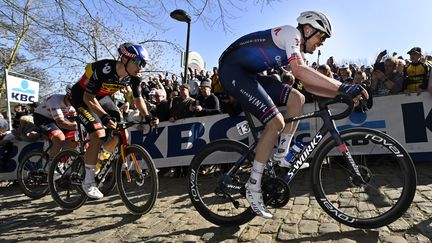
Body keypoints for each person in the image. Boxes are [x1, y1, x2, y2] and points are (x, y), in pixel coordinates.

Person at [218, 11, 368, 218]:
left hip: (251, 74)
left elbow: (309, 84)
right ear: (307, 29)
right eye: (321, 37)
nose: (321, 43)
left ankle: (281, 154)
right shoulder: (291, 34)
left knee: (297, 98)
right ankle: (253, 188)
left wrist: (343, 93)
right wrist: (343, 86)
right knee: (275, 123)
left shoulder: (296, 47)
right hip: (232, 70)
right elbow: (299, 72)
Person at [71, 43, 158, 199]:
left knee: (122, 132)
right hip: (82, 97)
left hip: (102, 98)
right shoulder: (105, 69)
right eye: (139, 62)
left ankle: (101, 157)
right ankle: (88, 182)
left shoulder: (134, 78)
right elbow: (88, 98)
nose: (141, 67)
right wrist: (104, 117)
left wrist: (148, 116)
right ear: (125, 59)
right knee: (98, 134)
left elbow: (138, 100)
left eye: (144, 64)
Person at [33, 85, 78, 160]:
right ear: (68, 95)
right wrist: (78, 126)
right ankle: (52, 163)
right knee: (59, 138)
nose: (72, 103)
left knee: (76, 137)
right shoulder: (55, 100)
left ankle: (62, 160)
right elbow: (61, 123)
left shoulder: (74, 106)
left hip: (56, 119)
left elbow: (73, 120)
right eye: (72, 100)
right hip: (42, 118)